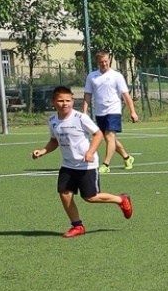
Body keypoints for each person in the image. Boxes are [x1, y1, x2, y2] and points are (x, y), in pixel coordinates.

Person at [31, 86, 132, 237]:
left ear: (72, 101)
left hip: (86, 164)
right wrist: (43, 151)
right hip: (68, 164)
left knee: (90, 197)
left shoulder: (80, 118)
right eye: (61, 101)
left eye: (68, 100)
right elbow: (54, 141)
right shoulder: (52, 120)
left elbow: (97, 134)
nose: (65, 103)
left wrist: (90, 152)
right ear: (53, 102)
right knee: (64, 193)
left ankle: (121, 199)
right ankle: (77, 226)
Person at [82, 50, 139, 173]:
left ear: (109, 61)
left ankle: (106, 164)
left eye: (106, 61)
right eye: (101, 62)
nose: (104, 64)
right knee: (109, 138)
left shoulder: (116, 76)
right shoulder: (92, 76)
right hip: (99, 112)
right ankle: (127, 157)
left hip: (113, 110)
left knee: (109, 136)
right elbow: (87, 95)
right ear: (97, 63)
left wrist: (132, 112)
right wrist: (84, 112)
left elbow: (126, 95)